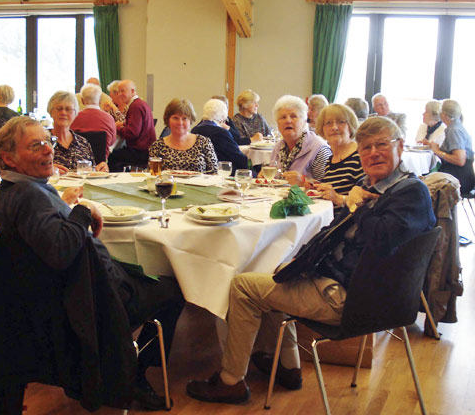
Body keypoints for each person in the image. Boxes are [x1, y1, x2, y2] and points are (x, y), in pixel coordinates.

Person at [186, 116, 436, 405]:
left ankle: (230, 382)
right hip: (350, 286)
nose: (373, 153)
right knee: (278, 271)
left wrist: (351, 203)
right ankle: (287, 367)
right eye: (366, 148)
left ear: (400, 147)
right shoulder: (374, 186)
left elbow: (381, 238)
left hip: (354, 300)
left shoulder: (411, 193)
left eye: (382, 145)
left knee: (243, 286)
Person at [0, 116, 184, 413]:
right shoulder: (28, 196)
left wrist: (68, 208)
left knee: (145, 273)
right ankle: (134, 377)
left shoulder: (14, 190)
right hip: (93, 297)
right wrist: (80, 211)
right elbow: (59, 251)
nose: (48, 150)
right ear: (8, 158)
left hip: (75, 289)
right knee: (174, 290)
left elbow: (47, 234)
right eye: (36, 145)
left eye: (47, 141)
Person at [312, 104, 365, 213]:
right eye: (328, 123)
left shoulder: (360, 156)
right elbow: (334, 189)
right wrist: (316, 186)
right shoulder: (331, 159)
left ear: (350, 127)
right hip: (328, 218)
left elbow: (366, 201)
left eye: (341, 122)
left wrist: (338, 198)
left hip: (346, 224)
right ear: (322, 130)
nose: (334, 127)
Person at [269, 95, 331, 185]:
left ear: (304, 121)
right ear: (277, 123)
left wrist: (304, 181)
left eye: (293, 116)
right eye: (283, 117)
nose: (288, 121)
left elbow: (329, 188)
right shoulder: (278, 147)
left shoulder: (319, 149)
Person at [149, 99, 218, 173]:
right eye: (175, 118)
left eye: (184, 118)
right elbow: (153, 176)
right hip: (169, 184)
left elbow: (214, 173)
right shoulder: (158, 146)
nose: (180, 122)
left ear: (191, 120)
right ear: (168, 120)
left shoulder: (204, 142)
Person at [47, 91, 108, 173]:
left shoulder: (83, 143)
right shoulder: (42, 142)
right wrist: (45, 169)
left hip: (80, 185)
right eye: (59, 109)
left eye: (68, 109)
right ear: (50, 112)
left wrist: (101, 169)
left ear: (75, 113)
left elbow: (92, 172)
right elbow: (28, 169)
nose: (63, 113)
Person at [427, 99, 475, 195]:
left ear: (444, 115)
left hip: (458, 179)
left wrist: (438, 152)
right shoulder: (456, 127)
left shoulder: (454, 130)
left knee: (422, 183)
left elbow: (460, 160)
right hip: (461, 176)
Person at [109, 80, 156, 172]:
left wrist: (117, 128)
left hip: (140, 152)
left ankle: (117, 182)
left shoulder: (135, 107)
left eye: (123, 91)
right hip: (146, 150)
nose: (119, 94)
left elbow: (132, 133)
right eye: (119, 91)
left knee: (112, 157)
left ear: (133, 91)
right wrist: (124, 124)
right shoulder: (140, 103)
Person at [192, 99, 248, 174]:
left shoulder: (194, 130)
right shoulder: (221, 133)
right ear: (222, 117)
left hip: (201, 171)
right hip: (223, 171)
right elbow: (238, 158)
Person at [71, 83, 117, 158]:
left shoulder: (74, 118)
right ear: (99, 100)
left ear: (82, 100)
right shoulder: (109, 118)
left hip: (79, 160)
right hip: (102, 164)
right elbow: (112, 142)